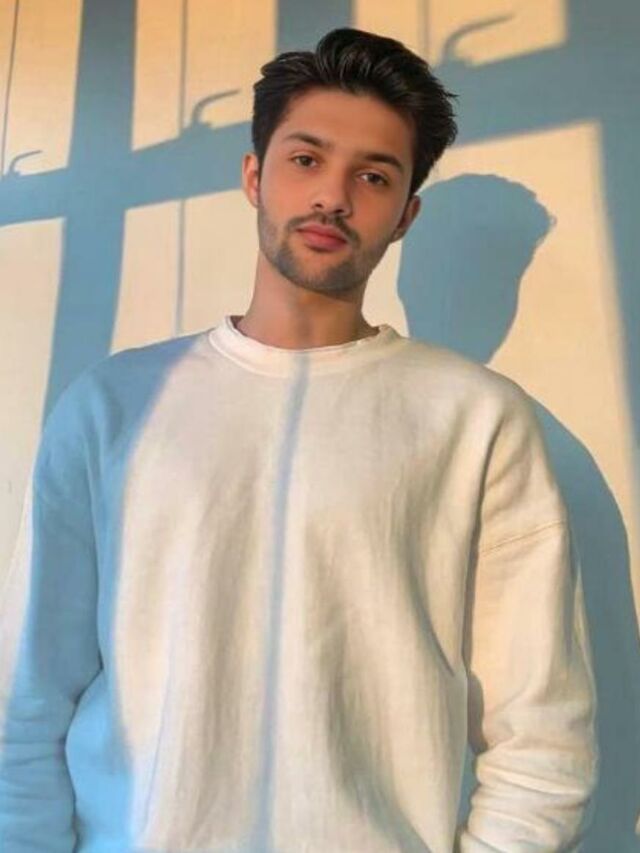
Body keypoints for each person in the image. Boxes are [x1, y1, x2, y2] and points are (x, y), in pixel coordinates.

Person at [0, 26, 597, 853]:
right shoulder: (112, 406)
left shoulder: (478, 422)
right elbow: (28, 697)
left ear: (406, 215)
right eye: (306, 159)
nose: (333, 197)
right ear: (255, 175)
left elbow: (544, 736)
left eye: (374, 176)